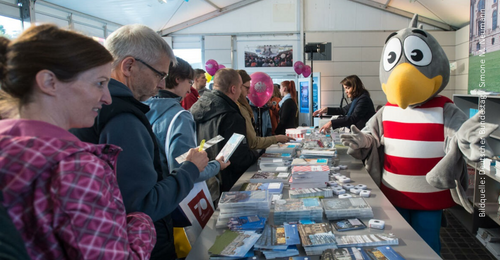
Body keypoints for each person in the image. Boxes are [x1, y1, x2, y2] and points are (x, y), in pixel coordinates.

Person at [0, 24, 156, 259]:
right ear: (49, 82)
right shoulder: (75, 166)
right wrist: (140, 224)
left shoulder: (10, 148)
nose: (107, 98)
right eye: (99, 83)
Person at [70, 24, 208, 260]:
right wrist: (191, 170)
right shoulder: (122, 116)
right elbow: (143, 203)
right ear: (129, 66)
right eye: (159, 75)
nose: (162, 85)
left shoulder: (100, 109)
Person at [144, 57, 230, 198]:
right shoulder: (180, 116)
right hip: (172, 197)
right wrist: (217, 165)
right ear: (178, 79)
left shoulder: (144, 108)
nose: (190, 89)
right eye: (189, 82)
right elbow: (188, 169)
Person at [190, 68, 259, 195]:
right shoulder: (231, 116)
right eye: (240, 88)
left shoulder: (195, 108)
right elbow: (238, 158)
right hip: (228, 182)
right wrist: (257, 154)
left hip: (202, 180)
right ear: (233, 89)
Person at [236, 70, 292, 149]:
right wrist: (276, 138)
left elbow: (268, 127)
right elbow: (253, 142)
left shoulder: (265, 106)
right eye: (247, 88)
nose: (249, 92)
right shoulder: (242, 108)